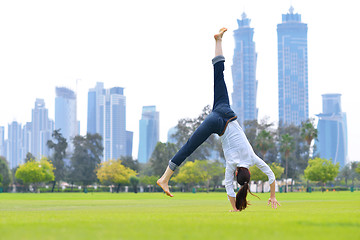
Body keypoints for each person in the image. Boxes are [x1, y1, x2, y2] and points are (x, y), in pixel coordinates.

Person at [157, 28, 280, 212]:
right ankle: (164, 178)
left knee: (219, 74)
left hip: (225, 111)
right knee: (190, 146)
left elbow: (271, 176)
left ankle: (218, 41)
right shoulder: (232, 164)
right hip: (216, 121)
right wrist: (235, 208)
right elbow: (229, 188)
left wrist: (273, 195)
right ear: (237, 173)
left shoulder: (252, 158)